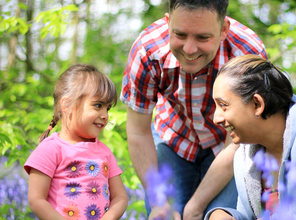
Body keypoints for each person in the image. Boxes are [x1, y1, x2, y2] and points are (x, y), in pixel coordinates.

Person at [120, 0, 268, 219]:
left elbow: (236, 144)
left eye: (202, 37)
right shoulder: (146, 51)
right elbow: (137, 132)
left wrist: (196, 206)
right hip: (172, 137)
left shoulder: (248, 55)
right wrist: (159, 202)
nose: (189, 49)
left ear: (223, 30)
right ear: (167, 22)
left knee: (220, 215)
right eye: (179, 35)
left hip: (229, 144)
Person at [205, 54, 296, 220]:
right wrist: (225, 216)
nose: (216, 118)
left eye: (223, 106)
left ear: (257, 104)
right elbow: (252, 216)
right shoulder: (244, 157)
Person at [24, 64, 128, 220]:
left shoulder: (105, 152)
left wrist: (109, 217)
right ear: (67, 105)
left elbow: (120, 197)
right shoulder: (51, 149)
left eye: (107, 108)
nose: (105, 115)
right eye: (98, 106)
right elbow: (36, 200)